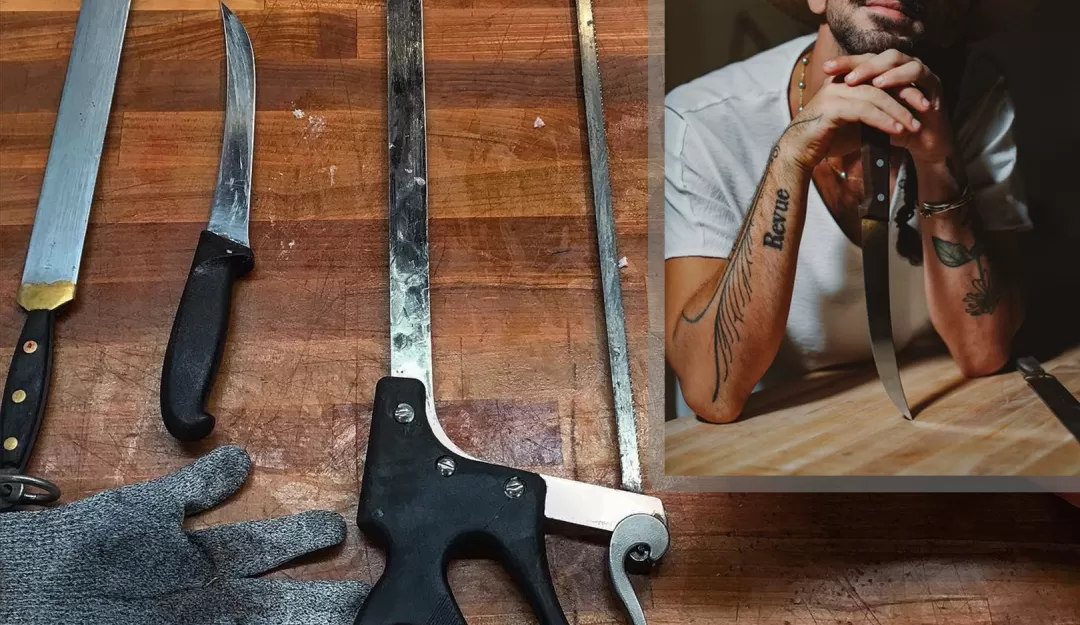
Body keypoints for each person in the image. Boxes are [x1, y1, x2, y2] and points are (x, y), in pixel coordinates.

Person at [665, 0, 1030, 423]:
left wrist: (937, 162)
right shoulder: (701, 122)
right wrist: (790, 159)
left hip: (927, 420)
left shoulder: (973, 96)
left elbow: (983, 353)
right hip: (764, 439)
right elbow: (712, 393)